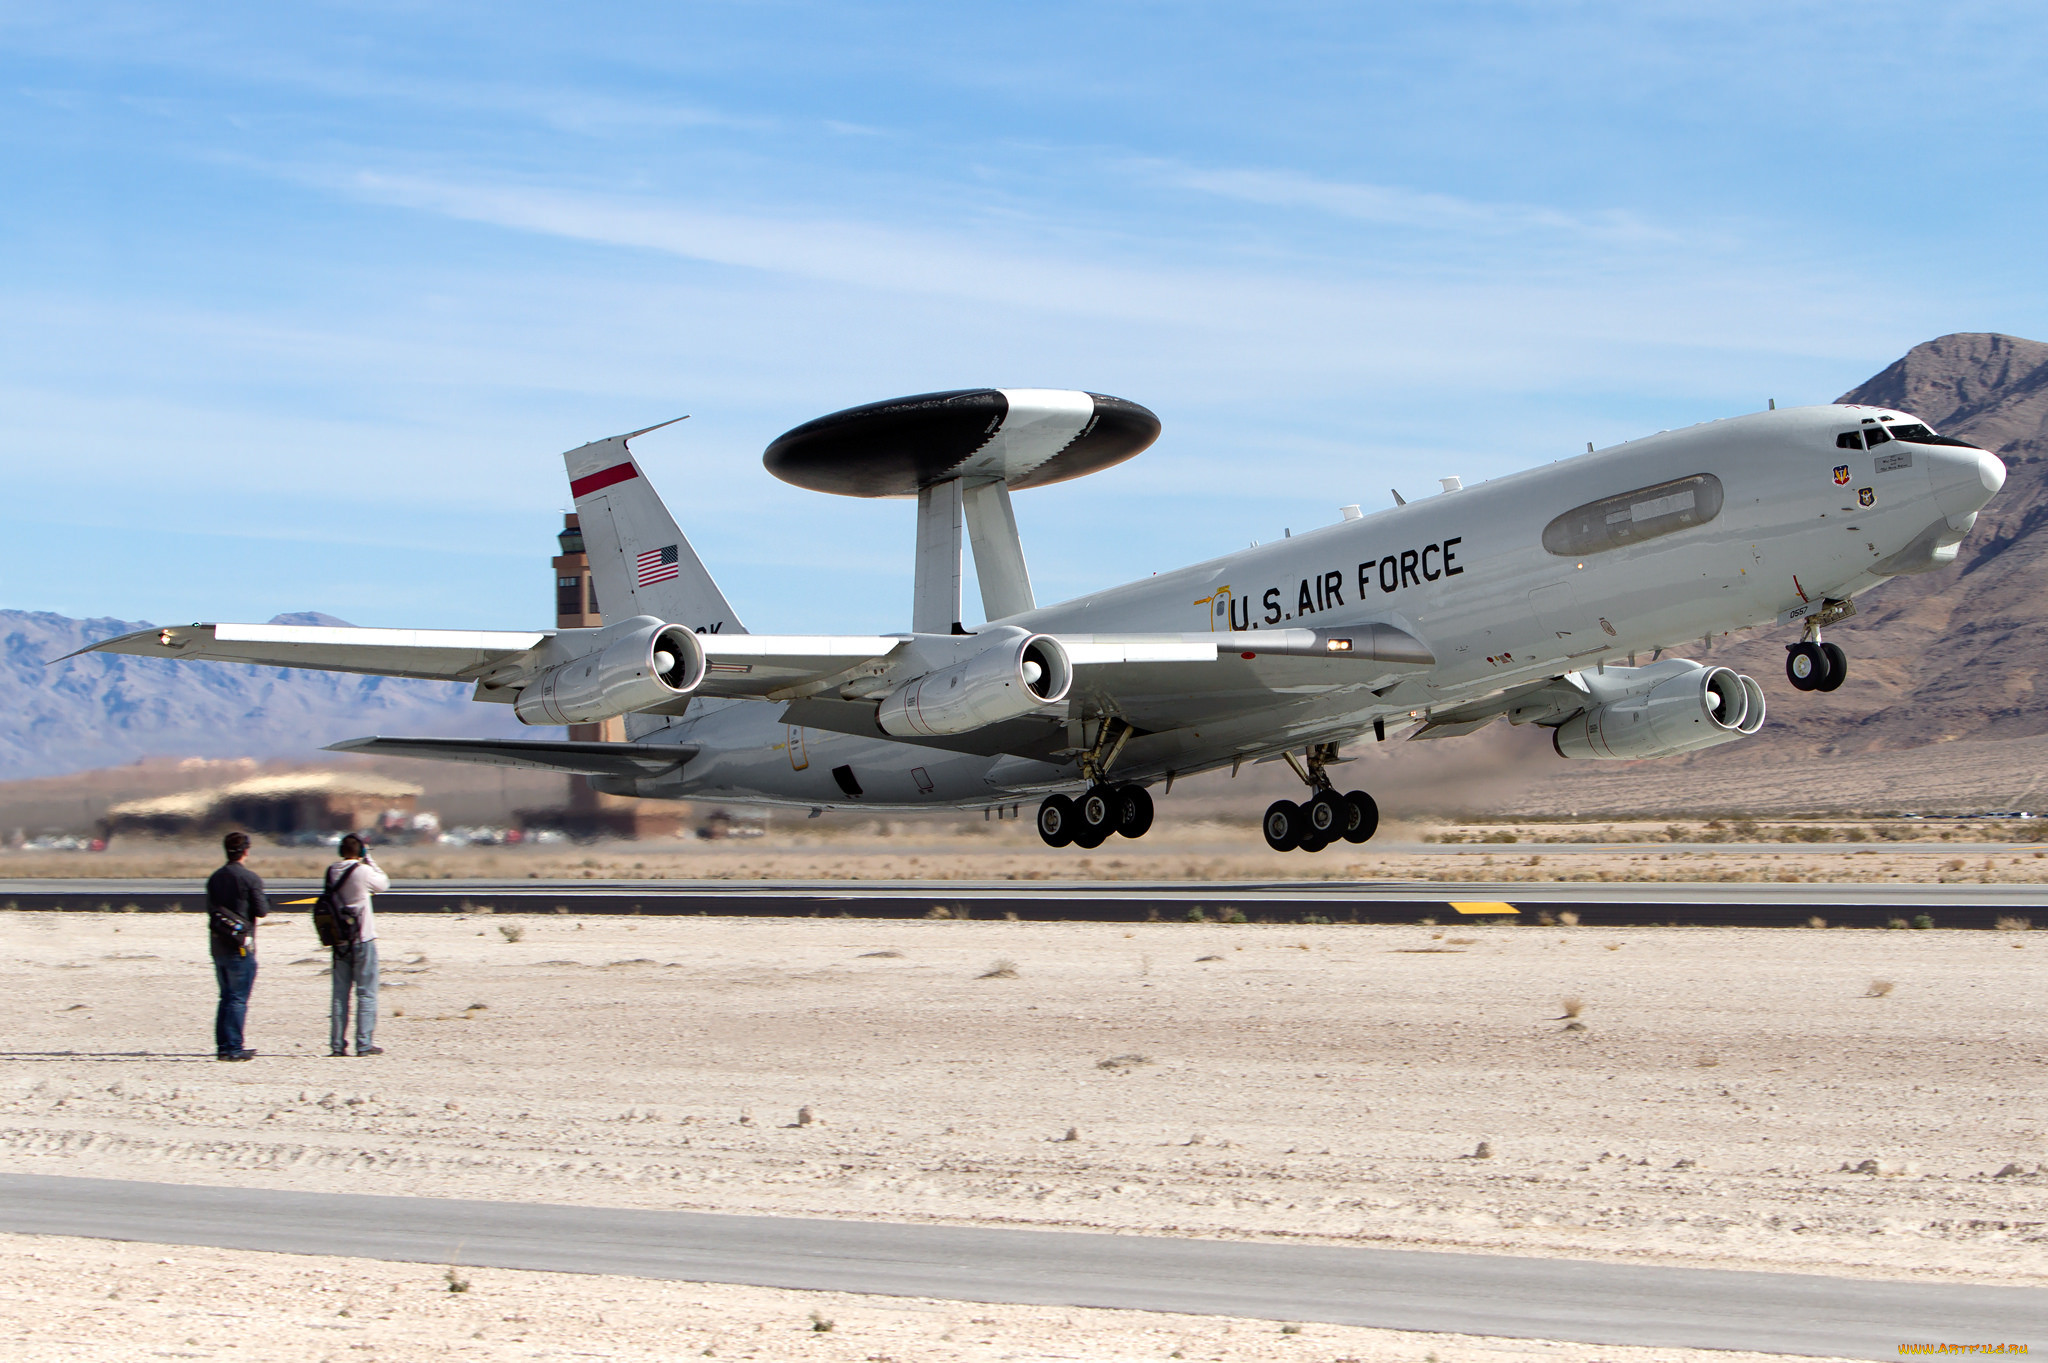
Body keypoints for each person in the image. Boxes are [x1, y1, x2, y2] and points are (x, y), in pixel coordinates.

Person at [324, 833, 391, 1056]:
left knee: (340, 994)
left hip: (339, 938)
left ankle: (336, 1044)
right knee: (366, 992)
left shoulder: (331, 871)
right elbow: (383, 884)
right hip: (362, 936)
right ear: (359, 852)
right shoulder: (362, 871)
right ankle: (363, 1043)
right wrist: (369, 859)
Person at [204, 830, 268, 1061]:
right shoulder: (249, 878)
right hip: (240, 945)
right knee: (237, 998)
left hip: (218, 944)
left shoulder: (215, 878)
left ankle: (224, 1045)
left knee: (226, 996)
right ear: (245, 851)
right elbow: (261, 910)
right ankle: (233, 1047)